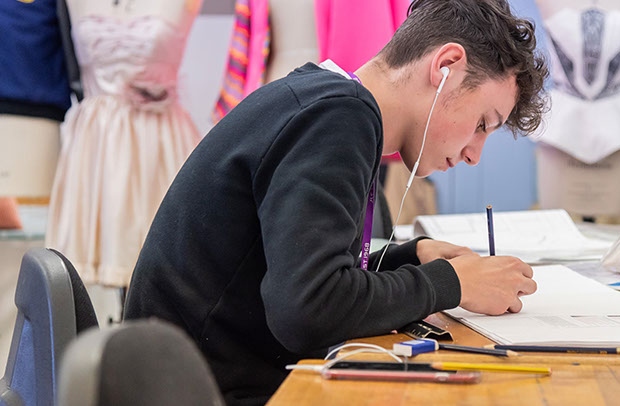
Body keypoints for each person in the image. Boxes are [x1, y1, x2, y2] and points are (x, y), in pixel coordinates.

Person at [124, 0, 548, 404]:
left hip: (202, 374)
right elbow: (308, 311)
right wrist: (451, 283)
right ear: (445, 67)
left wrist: (410, 258)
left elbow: (300, 273)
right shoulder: (339, 120)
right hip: (205, 390)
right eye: (482, 124)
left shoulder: (326, 101)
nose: (475, 155)